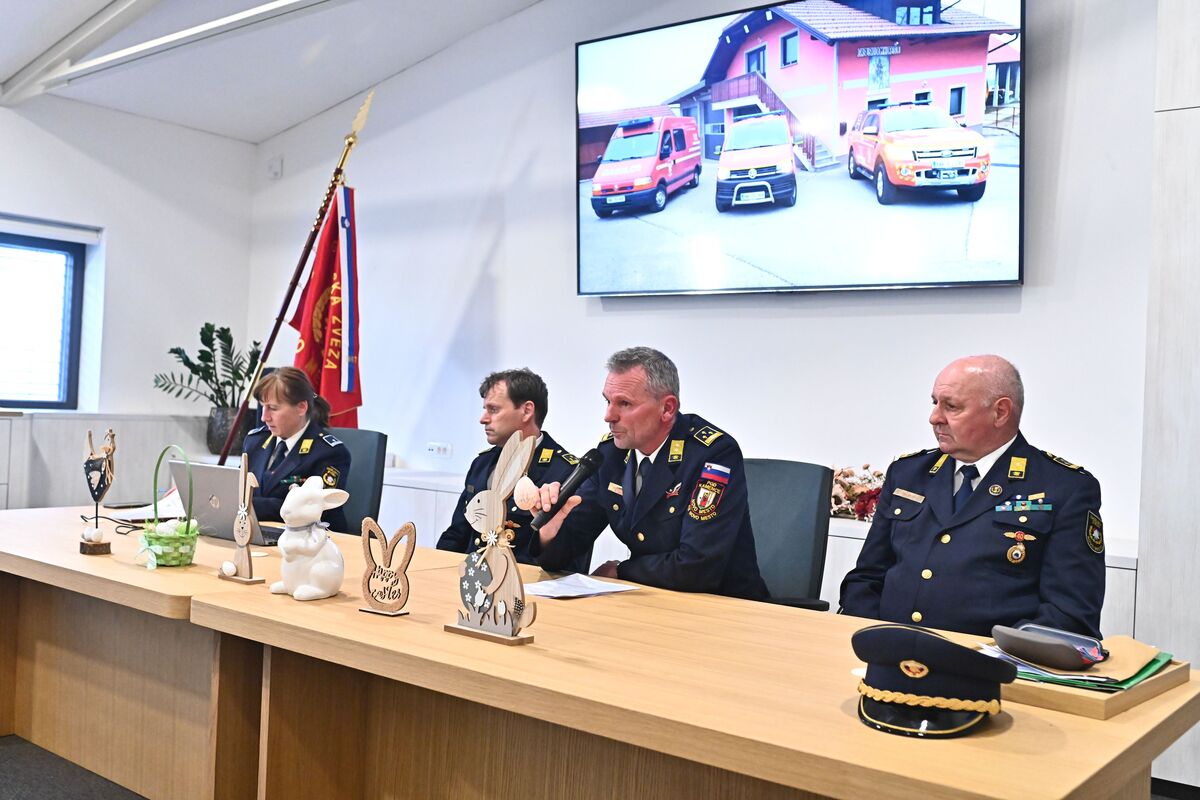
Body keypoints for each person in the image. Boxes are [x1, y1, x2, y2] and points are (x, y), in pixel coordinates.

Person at [839, 355, 1105, 638]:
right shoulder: (908, 474)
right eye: (935, 403)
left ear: (1000, 412)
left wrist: (993, 655)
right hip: (887, 650)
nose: (934, 418)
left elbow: (1068, 615)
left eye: (951, 406)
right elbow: (866, 578)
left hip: (989, 661)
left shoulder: (1064, 488)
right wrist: (875, 638)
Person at [531, 347, 768, 600]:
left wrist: (622, 571)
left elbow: (698, 566)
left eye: (624, 403)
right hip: (649, 599)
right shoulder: (610, 455)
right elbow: (565, 552)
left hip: (724, 605)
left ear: (667, 408)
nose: (608, 416)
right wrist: (550, 532)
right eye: (607, 401)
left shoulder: (712, 454)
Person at [437, 368, 585, 569]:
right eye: (485, 409)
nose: (483, 418)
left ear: (527, 411)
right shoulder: (482, 463)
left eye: (493, 409)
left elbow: (566, 558)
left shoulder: (565, 472)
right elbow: (457, 533)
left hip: (521, 581)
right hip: (471, 577)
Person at [243, 366, 351, 532]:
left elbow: (312, 509)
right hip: (255, 533)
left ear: (301, 407)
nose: (264, 417)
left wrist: (247, 505)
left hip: (311, 540)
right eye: (262, 406)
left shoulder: (329, 452)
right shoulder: (255, 441)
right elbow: (241, 490)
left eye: (273, 408)